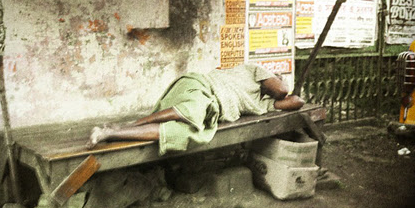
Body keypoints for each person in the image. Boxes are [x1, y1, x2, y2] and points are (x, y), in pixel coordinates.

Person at [87, 63, 304, 155]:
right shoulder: (255, 71)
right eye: (277, 77)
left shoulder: (263, 104)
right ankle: (130, 125)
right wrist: (281, 83)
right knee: (194, 110)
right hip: (199, 88)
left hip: (208, 112)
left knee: (181, 133)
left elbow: (297, 102)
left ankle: (110, 133)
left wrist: (282, 92)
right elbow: (282, 89)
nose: (279, 81)